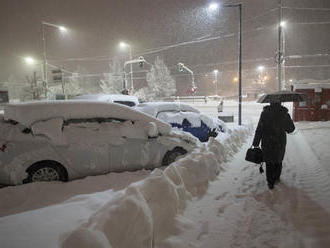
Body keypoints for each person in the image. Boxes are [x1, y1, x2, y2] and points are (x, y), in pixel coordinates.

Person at [252, 102, 295, 189]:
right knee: (278, 160)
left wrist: (256, 142)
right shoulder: (284, 114)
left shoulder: (265, 113)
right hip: (280, 142)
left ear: (270, 103)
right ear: (280, 103)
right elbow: (291, 129)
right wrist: (288, 118)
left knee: (269, 161)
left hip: (267, 142)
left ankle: (270, 182)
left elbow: (260, 128)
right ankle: (276, 177)